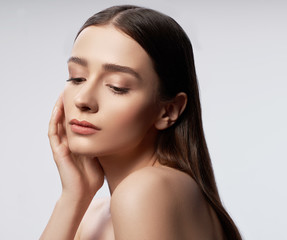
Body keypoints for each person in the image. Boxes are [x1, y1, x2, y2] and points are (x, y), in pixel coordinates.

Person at [40, 5, 242, 240]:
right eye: (77, 78)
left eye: (117, 87)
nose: (83, 100)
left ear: (169, 110)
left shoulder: (144, 192)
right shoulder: (95, 214)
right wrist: (73, 196)